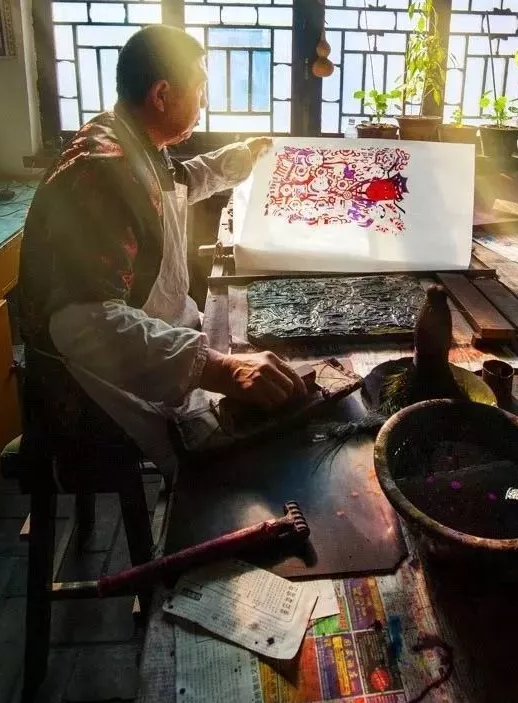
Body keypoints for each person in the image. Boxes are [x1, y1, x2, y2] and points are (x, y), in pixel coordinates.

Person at [19, 25, 310, 474]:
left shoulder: (129, 137)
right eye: (200, 89)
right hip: (88, 384)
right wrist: (220, 369)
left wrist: (240, 158)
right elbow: (84, 325)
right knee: (242, 467)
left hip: (147, 343)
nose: (204, 103)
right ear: (161, 95)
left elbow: (175, 184)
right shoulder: (103, 172)